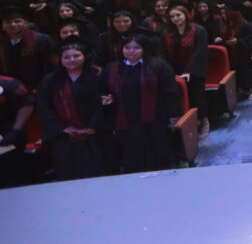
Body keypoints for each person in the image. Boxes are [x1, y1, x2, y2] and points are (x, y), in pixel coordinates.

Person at [100, 34, 182, 173]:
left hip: (156, 118)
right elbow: (103, 90)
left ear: (145, 49)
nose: (131, 51)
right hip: (126, 119)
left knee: (159, 152)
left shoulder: (158, 66)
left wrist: (174, 116)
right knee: (132, 155)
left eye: (136, 48)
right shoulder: (112, 69)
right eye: (127, 47)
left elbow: (171, 92)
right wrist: (107, 99)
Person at [36, 39, 111, 180]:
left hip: (95, 135)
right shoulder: (50, 81)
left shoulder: (98, 76)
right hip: (65, 137)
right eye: (67, 57)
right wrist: (62, 128)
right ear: (60, 59)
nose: (72, 60)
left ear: (85, 56)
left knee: (98, 172)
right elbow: (43, 108)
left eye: (76, 55)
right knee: (68, 173)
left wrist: (94, 126)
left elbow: (105, 104)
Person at [164, 4, 209, 139]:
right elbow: (164, 53)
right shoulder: (168, 33)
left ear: (185, 15)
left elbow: (199, 52)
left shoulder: (198, 30)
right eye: (172, 16)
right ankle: (191, 123)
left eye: (178, 15)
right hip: (175, 70)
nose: (175, 18)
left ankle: (204, 121)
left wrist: (189, 70)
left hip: (195, 69)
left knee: (197, 96)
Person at [0, 73, 33, 188]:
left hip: (10, 130)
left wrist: (15, 130)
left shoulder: (10, 83)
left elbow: (27, 104)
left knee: (12, 168)